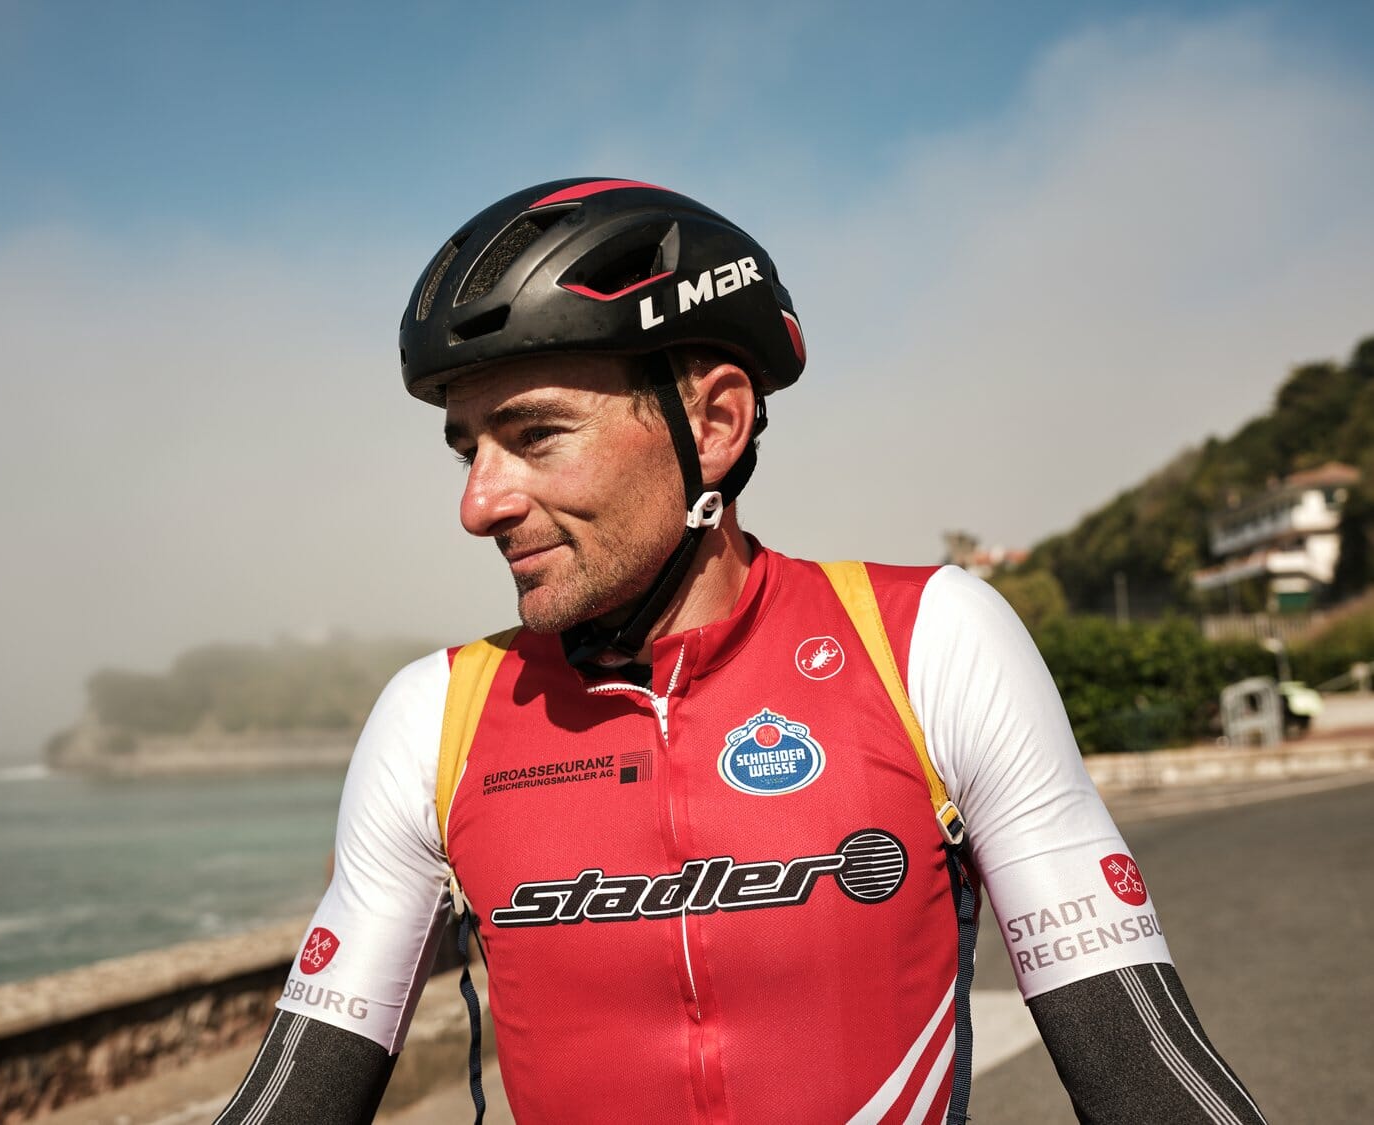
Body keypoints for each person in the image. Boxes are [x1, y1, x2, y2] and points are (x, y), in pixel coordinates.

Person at [215, 178, 1265, 1124]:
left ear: (715, 424)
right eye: (468, 450)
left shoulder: (929, 643)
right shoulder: (435, 717)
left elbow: (1144, 1068)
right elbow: (298, 1090)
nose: (479, 503)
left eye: (534, 436)